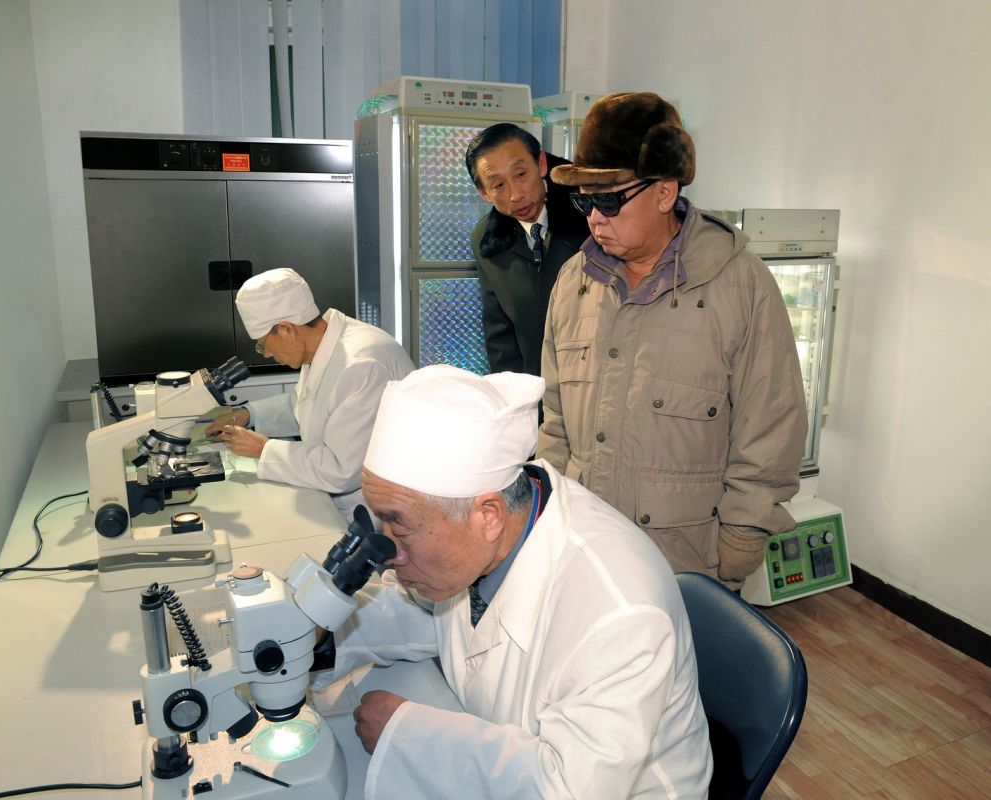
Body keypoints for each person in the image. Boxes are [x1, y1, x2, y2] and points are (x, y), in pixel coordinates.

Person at [312, 364, 712, 799]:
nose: (389, 555)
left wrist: (407, 735)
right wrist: (320, 638)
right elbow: (425, 612)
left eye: (399, 526)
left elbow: (568, 788)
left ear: (489, 516)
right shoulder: (492, 530)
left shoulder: (619, 614)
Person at [537, 92, 808, 590]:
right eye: (584, 201)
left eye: (609, 200)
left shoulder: (739, 286)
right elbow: (555, 419)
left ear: (664, 193)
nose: (595, 218)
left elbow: (771, 425)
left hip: (685, 561)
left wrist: (742, 537)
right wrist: (545, 511)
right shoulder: (575, 282)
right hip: (582, 548)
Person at [204, 268, 413, 519]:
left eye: (262, 344)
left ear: (286, 329)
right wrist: (248, 414)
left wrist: (264, 449)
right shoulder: (327, 344)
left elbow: (342, 472)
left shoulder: (361, 365)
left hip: (373, 512)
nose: (266, 354)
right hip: (339, 498)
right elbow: (312, 406)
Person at [467, 124, 591, 376]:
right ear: (484, 193)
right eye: (498, 185)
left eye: (521, 174)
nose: (515, 195)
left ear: (541, 164)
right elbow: (499, 335)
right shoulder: (486, 241)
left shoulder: (592, 219)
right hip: (534, 387)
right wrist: (514, 392)